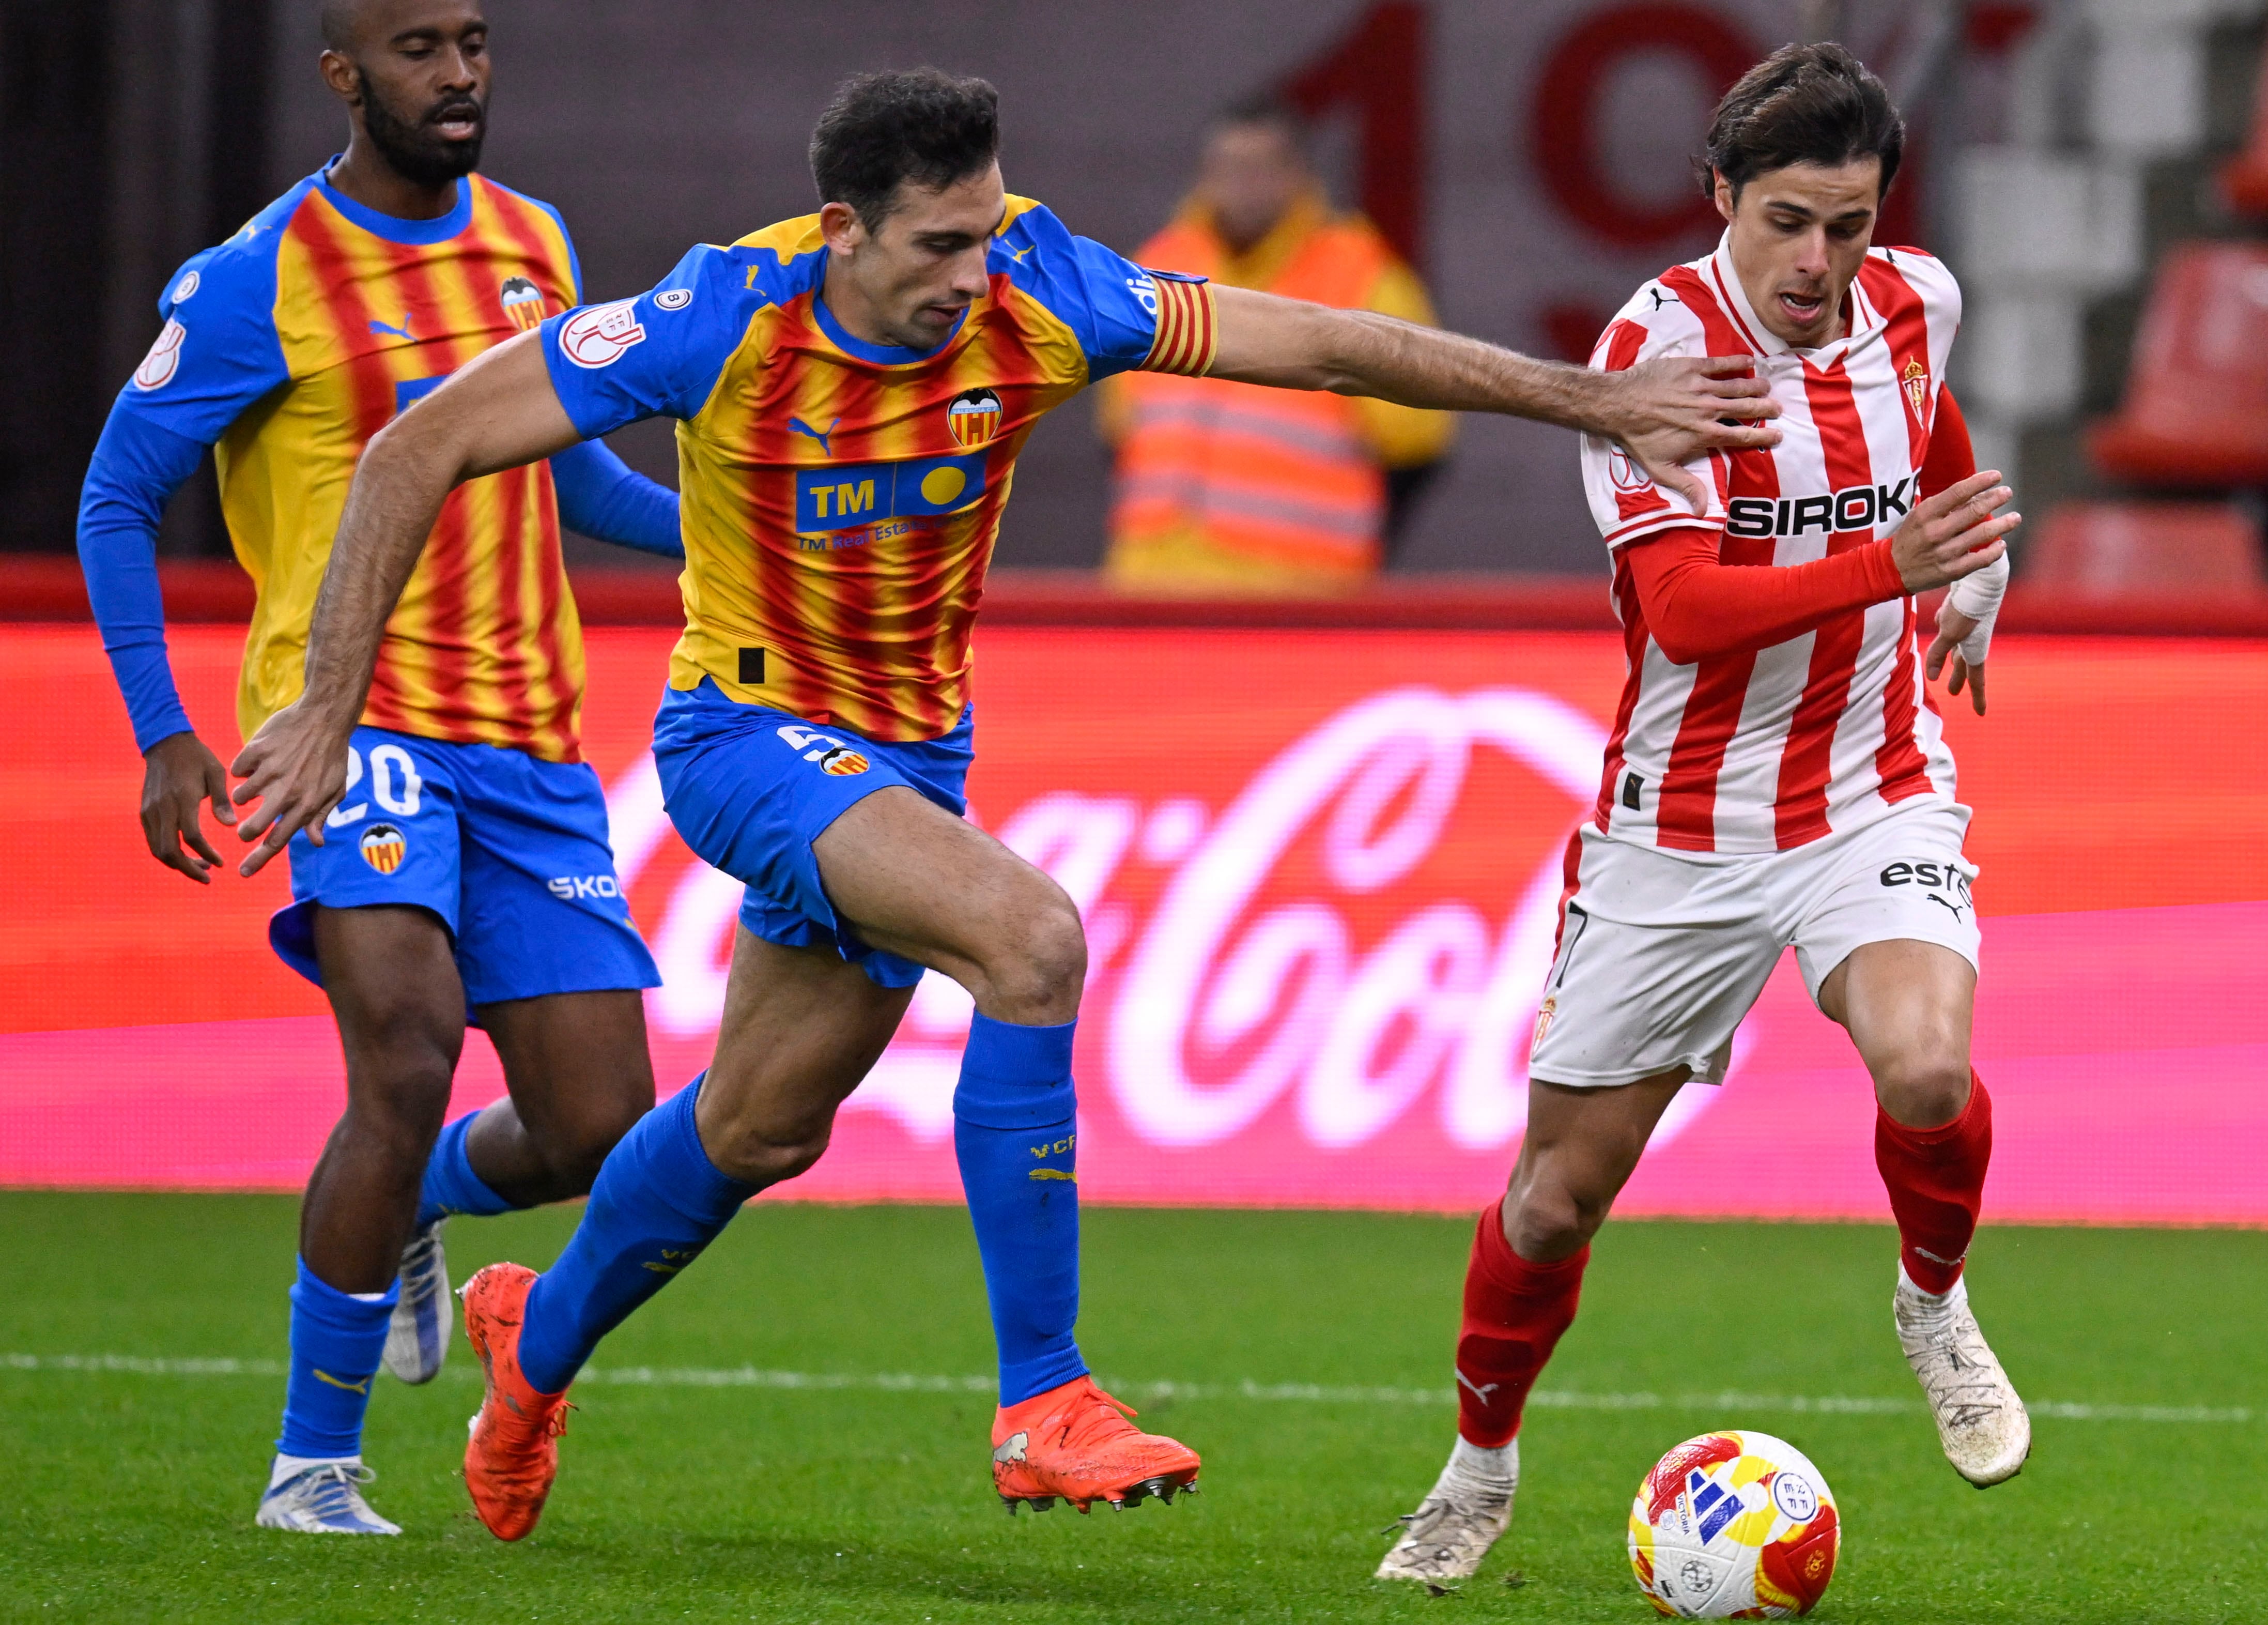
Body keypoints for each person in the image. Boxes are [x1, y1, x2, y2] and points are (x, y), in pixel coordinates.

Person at [224, 67, 1782, 1544]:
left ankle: (530, 1346)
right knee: (1029, 939)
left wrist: (1590, 401)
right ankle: (1041, 1392)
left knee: (759, 1126)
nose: (976, 271)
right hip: (745, 733)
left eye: (986, 229)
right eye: (939, 243)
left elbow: (1328, 347)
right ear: (838, 231)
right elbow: (416, 443)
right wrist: (326, 698)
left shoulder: (1053, 289)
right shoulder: (717, 315)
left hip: (909, 760)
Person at [1373, 43, 2029, 1587]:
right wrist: (1896, 565)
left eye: (1847, 225)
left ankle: (1928, 1303)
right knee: (1551, 1201)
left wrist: (1971, 564)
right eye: (1785, 221)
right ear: (1719, 197)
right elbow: (1677, 609)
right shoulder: (1652, 355)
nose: (1816, 261)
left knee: (1926, 1064)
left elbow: (1928, 447)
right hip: (1681, 823)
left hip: (1870, 781)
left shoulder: (1911, 305)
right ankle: (1478, 1463)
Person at [73, 0, 678, 1536]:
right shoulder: (251, 279)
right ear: (343, 75)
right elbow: (114, 501)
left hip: (532, 741)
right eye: (416, 48)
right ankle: (312, 1470)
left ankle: (425, 1198)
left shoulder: (535, 243)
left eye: (472, 40)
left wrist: (733, 535)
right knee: (402, 1055)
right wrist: (162, 734)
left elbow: (578, 467)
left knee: (601, 1125)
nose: (458, 73)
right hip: (351, 729)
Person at [1098, 96, 1454, 591]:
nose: (1242, 185)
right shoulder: (1155, 269)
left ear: (1299, 174)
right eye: (1228, 166)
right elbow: (1120, 431)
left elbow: (1418, 448)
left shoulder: (1363, 277)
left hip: (1295, 596)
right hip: (1149, 588)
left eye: (1260, 167)